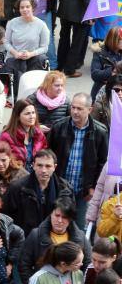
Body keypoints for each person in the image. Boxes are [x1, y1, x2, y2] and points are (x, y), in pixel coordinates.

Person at [48, 93, 109, 230]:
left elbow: (102, 162)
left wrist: (93, 187)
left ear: (90, 109)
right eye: (73, 107)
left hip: (84, 191)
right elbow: (48, 155)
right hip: (60, 188)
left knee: (79, 228)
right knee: (56, 225)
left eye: (80, 109)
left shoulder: (100, 131)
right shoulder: (59, 127)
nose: (75, 112)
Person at [18, 199, 91, 284]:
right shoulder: (36, 235)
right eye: (57, 215)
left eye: (64, 217)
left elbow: (87, 263)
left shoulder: (80, 237)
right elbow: (24, 265)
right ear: (51, 215)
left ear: (70, 219)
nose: (59, 220)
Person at [2, 149, 75, 236]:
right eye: (40, 165)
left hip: (54, 239)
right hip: (25, 239)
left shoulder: (65, 189)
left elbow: (71, 219)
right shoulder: (17, 188)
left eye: (48, 166)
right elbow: (5, 218)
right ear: (33, 166)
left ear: (54, 167)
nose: (43, 170)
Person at [4, 0, 50, 97]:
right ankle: (16, 93)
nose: (25, 9)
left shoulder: (41, 25)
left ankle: (35, 93)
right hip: (15, 58)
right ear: (19, 9)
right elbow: (6, 42)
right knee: (13, 65)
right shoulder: (12, 23)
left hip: (33, 58)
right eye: (22, 7)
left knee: (40, 59)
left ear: (33, 8)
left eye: (27, 7)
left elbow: (44, 47)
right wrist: (15, 53)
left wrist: (31, 54)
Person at [0, 100, 48, 174]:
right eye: (27, 113)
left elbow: (45, 157)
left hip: (34, 179)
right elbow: (0, 161)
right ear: (18, 116)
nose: (32, 116)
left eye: (33, 113)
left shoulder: (39, 134)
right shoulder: (6, 137)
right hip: (14, 180)